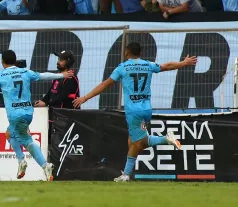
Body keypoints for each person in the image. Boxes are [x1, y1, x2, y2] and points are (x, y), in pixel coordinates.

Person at [73, 42, 197, 182]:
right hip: (146, 110)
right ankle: (126, 174)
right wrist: (184, 63)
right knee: (133, 141)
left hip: (133, 111)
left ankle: (166, 139)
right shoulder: (148, 65)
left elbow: (104, 84)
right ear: (140, 53)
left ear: (126, 52)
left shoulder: (123, 67)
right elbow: (167, 66)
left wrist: (85, 97)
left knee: (140, 142)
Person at [0, 50, 74, 181]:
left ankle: (45, 165)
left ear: (2, 62)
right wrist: (61, 75)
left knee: (26, 141)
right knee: (9, 134)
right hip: (28, 112)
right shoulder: (24, 72)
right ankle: (21, 161)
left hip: (15, 115)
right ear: (15, 60)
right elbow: (43, 76)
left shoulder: (1, 75)